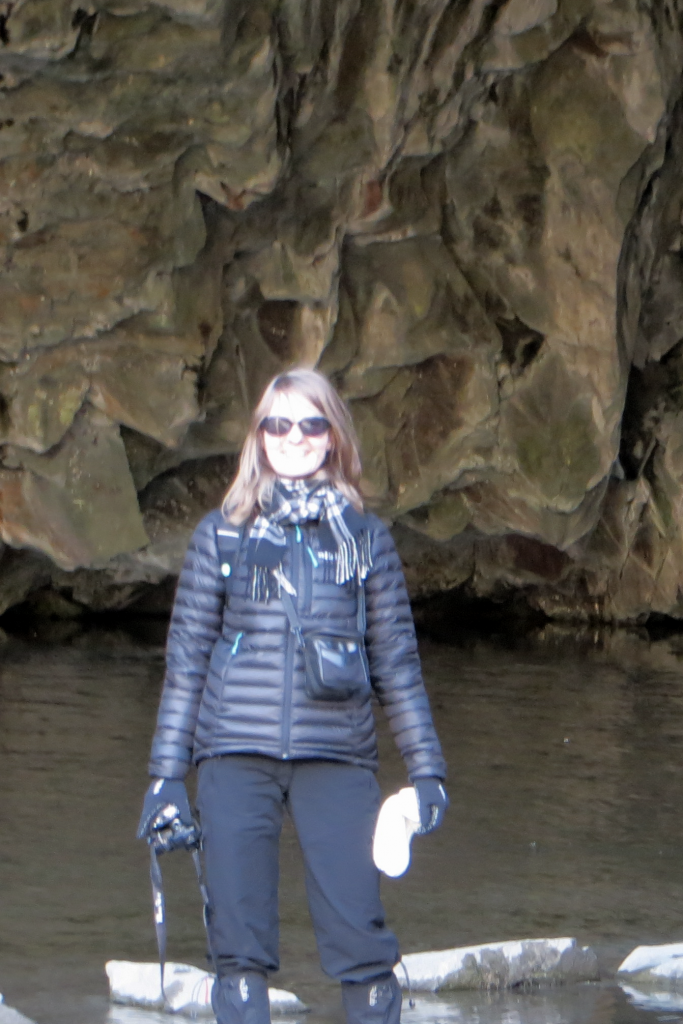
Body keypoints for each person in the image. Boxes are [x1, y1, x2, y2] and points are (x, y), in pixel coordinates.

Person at [137, 368, 448, 1024]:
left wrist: (428, 774)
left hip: (336, 755)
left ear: (333, 436)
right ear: (259, 436)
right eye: (278, 424)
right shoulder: (221, 536)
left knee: (361, 942)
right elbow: (186, 664)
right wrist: (166, 779)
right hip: (232, 754)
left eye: (310, 423)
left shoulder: (367, 540)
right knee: (237, 948)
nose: (294, 437)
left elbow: (397, 666)